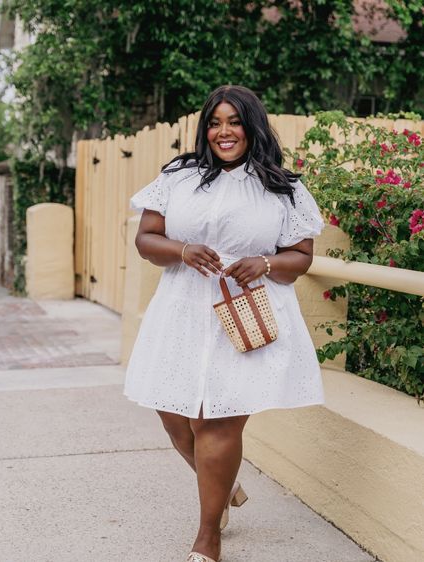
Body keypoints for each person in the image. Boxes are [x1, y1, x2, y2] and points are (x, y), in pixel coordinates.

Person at [124, 85, 325, 562]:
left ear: (251, 125)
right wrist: (182, 249)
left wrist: (266, 263)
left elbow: (302, 256)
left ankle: (207, 538)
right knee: (174, 417)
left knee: (215, 419)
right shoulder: (179, 176)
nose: (223, 131)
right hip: (182, 310)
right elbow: (146, 240)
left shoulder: (283, 187)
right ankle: (224, 486)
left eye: (234, 121)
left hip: (246, 312)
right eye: (215, 123)